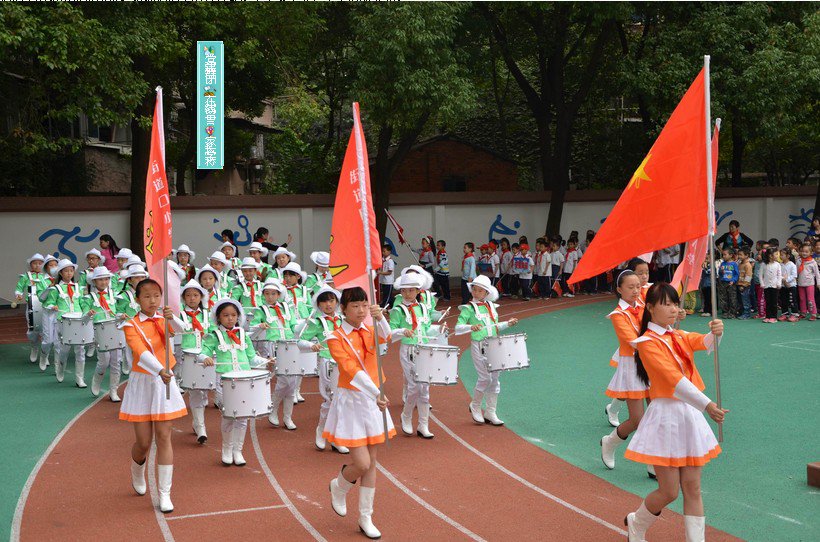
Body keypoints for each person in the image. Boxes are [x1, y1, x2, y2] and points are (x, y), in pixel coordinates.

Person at [623, 283, 726, 542]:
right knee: (669, 492)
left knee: (693, 487)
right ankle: (637, 523)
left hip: (689, 416)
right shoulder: (646, 343)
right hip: (665, 418)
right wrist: (708, 405)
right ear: (650, 308)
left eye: (675, 304)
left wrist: (716, 332)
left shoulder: (678, 336)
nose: (673, 309)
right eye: (666, 304)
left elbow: (702, 342)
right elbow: (673, 380)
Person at [326, 287, 395, 539]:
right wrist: (375, 392)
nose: (361, 310)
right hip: (354, 400)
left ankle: (366, 517)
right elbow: (351, 369)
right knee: (362, 463)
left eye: (365, 305)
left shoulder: (369, 328)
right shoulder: (334, 337)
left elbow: (387, 339)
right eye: (355, 306)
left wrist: (380, 318)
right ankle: (340, 485)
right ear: (343, 308)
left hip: (375, 399)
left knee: (373, 463)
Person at [120, 279, 187, 513]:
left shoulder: (163, 319)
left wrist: (173, 317)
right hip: (144, 382)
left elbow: (182, 331)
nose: (152, 301)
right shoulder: (130, 326)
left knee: (164, 436)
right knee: (143, 442)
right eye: (147, 296)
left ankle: (165, 494)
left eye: (157, 296)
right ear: (137, 299)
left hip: (164, 382)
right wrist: (159, 369)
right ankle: (137, 470)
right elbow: (140, 352)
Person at [199, 298, 273, 466]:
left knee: (243, 416)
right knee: (228, 415)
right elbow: (202, 353)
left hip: (244, 380)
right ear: (218, 318)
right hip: (225, 381)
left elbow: (251, 358)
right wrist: (206, 358)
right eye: (226, 315)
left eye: (233, 315)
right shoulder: (214, 336)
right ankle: (226, 448)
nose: (230, 318)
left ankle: (238, 450)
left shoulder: (243, 335)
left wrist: (265, 361)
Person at [600, 270, 652, 478]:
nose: (635, 291)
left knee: (657, 413)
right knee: (638, 419)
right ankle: (610, 441)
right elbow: (633, 342)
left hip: (652, 363)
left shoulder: (645, 307)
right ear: (619, 289)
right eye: (630, 287)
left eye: (638, 286)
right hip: (633, 366)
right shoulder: (618, 315)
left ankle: (653, 462)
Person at [389, 273, 447, 439]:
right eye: (405, 290)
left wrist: (439, 328)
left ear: (417, 291)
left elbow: (427, 328)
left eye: (411, 290)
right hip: (408, 350)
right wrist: (402, 331)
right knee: (414, 386)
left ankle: (423, 425)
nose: (408, 293)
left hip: (423, 348)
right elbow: (390, 333)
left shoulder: (422, 308)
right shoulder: (397, 310)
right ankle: (406, 416)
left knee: (425, 389)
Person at [454, 275, 519, 426]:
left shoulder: (491, 307)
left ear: (486, 293)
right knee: (485, 378)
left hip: (494, 344)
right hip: (479, 345)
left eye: (480, 291)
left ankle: (491, 411)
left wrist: (507, 324)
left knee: (495, 379)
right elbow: (457, 327)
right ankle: (475, 405)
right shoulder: (468, 308)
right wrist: (471, 327)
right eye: (474, 290)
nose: (476, 293)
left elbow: (494, 327)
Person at [297, 286, 349, 453]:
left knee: (343, 400)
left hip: (345, 363)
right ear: (318, 304)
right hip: (327, 362)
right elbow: (300, 341)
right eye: (324, 301)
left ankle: (336, 437)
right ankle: (321, 431)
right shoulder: (316, 323)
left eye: (332, 300)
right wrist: (312, 345)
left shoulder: (344, 320)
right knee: (330, 399)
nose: (328, 304)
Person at [251, 280, 299, 430]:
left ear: (279, 294)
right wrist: (260, 325)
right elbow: (251, 327)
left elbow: (293, 326)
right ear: (263, 295)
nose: (270, 297)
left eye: (273, 294)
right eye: (267, 294)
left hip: (290, 345)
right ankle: (274, 411)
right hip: (274, 345)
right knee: (284, 379)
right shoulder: (261, 309)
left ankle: (286, 416)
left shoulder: (286, 307)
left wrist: (304, 326)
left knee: (292, 381)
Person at [175, 279, 211, 443]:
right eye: (188, 295)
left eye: (195, 295)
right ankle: (200, 426)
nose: (192, 298)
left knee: (204, 391)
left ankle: (197, 422)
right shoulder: (180, 315)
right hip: (189, 357)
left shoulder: (209, 314)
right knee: (196, 390)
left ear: (201, 297)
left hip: (207, 355)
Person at [43, 259, 88, 387]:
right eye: (66, 271)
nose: (69, 273)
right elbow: (48, 303)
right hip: (63, 321)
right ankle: (60, 369)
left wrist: (86, 312)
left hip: (78, 320)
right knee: (64, 348)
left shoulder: (78, 287)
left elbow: (83, 303)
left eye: (71, 270)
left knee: (80, 349)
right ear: (60, 273)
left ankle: (79, 378)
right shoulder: (56, 288)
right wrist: (53, 307)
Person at [83, 267, 123, 401]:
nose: (103, 282)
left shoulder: (114, 295)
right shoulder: (89, 298)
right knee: (104, 360)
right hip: (99, 331)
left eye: (106, 279)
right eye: (100, 279)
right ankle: (97, 379)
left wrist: (121, 316)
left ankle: (114, 390)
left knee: (116, 361)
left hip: (115, 329)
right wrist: (88, 314)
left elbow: (117, 312)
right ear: (94, 281)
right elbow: (83, 318)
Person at [15, 253, 48, 363]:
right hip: (31, 308)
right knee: (32, 330)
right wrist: (18, 294)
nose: (37, 265)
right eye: (35, 263)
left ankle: (45, 354)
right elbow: (19, 288)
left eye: (40, 263)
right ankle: (34, 347)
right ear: (30, 265)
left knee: (45, 331)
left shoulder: (46, 277)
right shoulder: (25, 276)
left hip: (44, 307)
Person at [758, 248, 782, 323]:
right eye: (776, 254)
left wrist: (779, 283)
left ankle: (774, 317)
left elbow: (779, 275)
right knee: (768, 301)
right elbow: (760, 275)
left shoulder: (777, 264)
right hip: (766, 286)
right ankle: (768, 316)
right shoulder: (763, 264)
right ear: (770, 256)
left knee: (774, 302)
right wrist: (762, 283)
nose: (777, 256)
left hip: (775, 286)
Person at [796, 243, 820, 320]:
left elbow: (817, 273)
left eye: (806, 252)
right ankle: (803, 312)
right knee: (802, 298)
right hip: (800, 283)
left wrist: (818, 283)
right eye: (802, 251)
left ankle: (813, 313)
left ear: (811, 252)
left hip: (810, 283)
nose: (804, 253)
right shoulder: (798, 261)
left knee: (810, 299)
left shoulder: (813, 262)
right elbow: (796, 272)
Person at [716, 248, 739, 319]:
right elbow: (719, 273)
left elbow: (737, 274)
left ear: (731, 255)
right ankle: (725, 312)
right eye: (723, 254)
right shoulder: (722, 263)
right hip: (723, 283)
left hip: (731, 283)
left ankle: (733, 313)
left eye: (725, 254)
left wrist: (733, 280)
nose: (723, 256)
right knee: (723, 298)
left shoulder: (734, 264)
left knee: (732, 298)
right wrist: (721, 272)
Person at [778, 248, 798, 322]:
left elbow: (794, 275)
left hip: (791, 286)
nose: (780, 256)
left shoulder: (792, 265)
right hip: (783, 286)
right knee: (783, 300)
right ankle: (785, 313)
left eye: (782, 255)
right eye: (780, 255)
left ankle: (794, 314)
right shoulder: (780, 265)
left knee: (792, 300)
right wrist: (783, 279)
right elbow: (778, 274)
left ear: (788, 256)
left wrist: (786, 280)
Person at [736, 248, 754, 319]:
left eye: (741, 255)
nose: (739, 256)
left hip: (744, 286)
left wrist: (744, 285)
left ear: (746, 255)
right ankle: (741, 312)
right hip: (739, 284)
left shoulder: (747, 265)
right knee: (740, 300)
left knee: (745, 300)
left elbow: (748, 276)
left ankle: (747, 314)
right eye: (738, 254)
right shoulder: (740, 264)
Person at [377, 244, 395, 309]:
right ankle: (393, 305)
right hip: (383, 281)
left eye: (384, 251)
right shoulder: (382, 260)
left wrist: (380, 272)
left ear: (389, 252)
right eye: (382, 251)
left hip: (388, 282)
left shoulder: (390, 261)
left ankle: (383, 306)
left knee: (387, 296)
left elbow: (389, 272)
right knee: (388, 295)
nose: (383, 252)